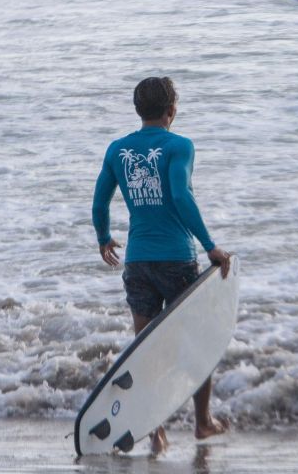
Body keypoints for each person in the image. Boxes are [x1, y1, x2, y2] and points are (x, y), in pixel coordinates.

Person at [91, 76, 232, 455]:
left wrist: (104, 237)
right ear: (172, 110)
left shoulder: (117, 150)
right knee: (198, 344)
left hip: (137, 262)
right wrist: (210, 246)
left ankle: (156, 432)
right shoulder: (179, 146)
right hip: (176, 261)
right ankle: (202, 422)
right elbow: (180, 195)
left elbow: (99, 201)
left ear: (139, 111)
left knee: (146, 350)